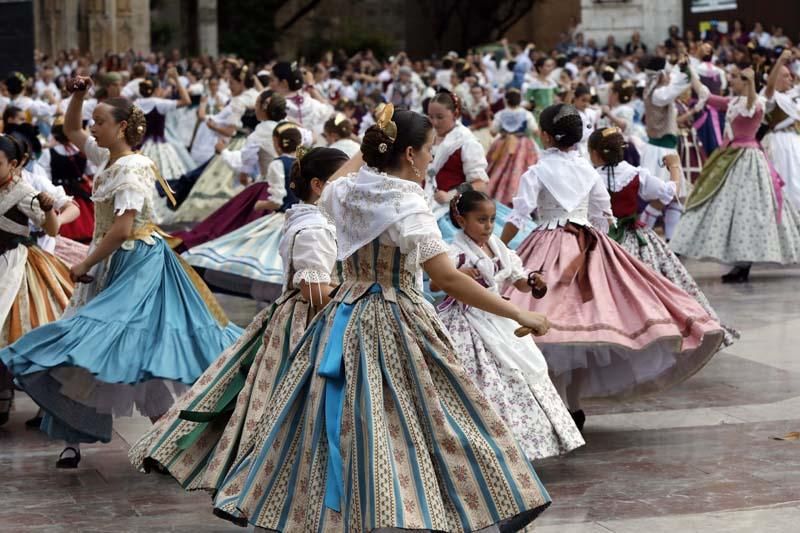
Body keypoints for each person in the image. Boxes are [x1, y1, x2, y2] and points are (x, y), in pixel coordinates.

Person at [138, 103, 552, 530]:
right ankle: (459, 500)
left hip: (344, 314)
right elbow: (446, 277)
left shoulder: (344, 191)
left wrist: (372, 138)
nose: (432, 158)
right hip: (397, 315)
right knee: (442, 411)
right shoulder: (407, 202)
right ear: (409, 153)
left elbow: (336, 180)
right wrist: (520, 311)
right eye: (428, 150)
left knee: (340, 418)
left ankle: (341, 507)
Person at [0, 77, 242, 468]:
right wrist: (78, 96)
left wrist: (84, 263)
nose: (92, 127)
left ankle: (167, 440)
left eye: (100, 121)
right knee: (96, 346)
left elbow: (124, 228)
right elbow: (73, 129)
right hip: (114, 261)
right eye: (94, 120)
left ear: (122, 127)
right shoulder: (108, 158)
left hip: (137, 263)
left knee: (131, 347)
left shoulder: (133, 168)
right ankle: (75, 439)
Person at [129, 148, 347, 521]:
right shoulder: (314, 228)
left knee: (277, 408)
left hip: (292, 318)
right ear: (318, 185)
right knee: (292, 409)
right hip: (308, 323)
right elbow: (314, 291)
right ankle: (266, 487)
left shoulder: (311, 221)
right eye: (342, 183)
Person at [501, 103, 725, 430]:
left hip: (546, 245)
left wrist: (499, 247)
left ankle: (553, 403)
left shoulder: (536, 172)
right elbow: (603, 215)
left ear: (545, 135)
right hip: (587, 245)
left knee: (542, 322)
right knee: (578, 329)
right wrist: (598, 251)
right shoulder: (587, 171)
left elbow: (519, 214)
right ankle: (573, 407)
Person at [436, 187, 585, 459]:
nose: (489, 226)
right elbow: (438, 281)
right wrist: (459, 273)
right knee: (489, 378)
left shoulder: (498, 247)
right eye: (481, 220)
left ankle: (525, 442)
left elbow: (517, 279)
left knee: (521, 371)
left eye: (492, 219)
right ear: (461, 220)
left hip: (500, 316)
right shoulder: (455, 250)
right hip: (470, 319)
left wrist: (532, 281)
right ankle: (492, 447)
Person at [589, 128, 738, 346]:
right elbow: (670, 192)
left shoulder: (589, 177)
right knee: (655, 286)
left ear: (594, 154)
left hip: (599, 241)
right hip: (633, 238)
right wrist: (675, 166)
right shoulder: (635, 174)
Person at [670, 66, 800, 283]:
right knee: (721, 205)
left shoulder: (757, 103)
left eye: (737, 78)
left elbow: (754, 104)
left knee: (748, 210)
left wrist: (755, 80)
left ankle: (743, 266)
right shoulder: (733, 102)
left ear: (747, 82)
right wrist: (690, 71)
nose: (732, 81)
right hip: (730, 158)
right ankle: (731, 261)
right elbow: (705, 94)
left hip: (750, 160)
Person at [181, 122, 303, 300]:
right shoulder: (302, 163)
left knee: (263, 256)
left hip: (280, 219)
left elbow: (277, 201)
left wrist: (260, 205)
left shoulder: (278, 164)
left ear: (277, 143)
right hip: (298, 218)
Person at [0, 134, 70, 426]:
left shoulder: (25, 192)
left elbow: (51, 229)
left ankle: (45, 403)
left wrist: (47, 208)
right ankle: (4, 399)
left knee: (21, 334)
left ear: (13, 164)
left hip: (14, 266)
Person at [172, 93, 288, 252]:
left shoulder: (261, 131)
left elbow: (244, 162)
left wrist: (223, 152)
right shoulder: (289, 127)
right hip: (293, 189)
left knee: (227, 227)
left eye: (257, 104)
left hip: (267, 188)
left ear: (263, 108)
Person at [171, 66, 254, 223]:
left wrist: (212, 126)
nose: (229, 86)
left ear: (240, 82)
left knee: (220, 182)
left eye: (231, 82)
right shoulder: (257, 95)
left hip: (238, 143)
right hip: (253, 143)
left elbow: (230, 131)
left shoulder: (239, 101)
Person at [35, 118, 95, 243]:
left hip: (61, 190)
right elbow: (90, 172)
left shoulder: (48, 153)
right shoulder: (81, 151)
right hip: (81, 191)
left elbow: (46, 177)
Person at [135, 70, 194, 183]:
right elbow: (186, 101)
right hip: (160, 146)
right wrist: (177, 79)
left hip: (140, 147)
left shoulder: (136, 103)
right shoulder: (159, 103)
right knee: (168, 177)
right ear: (157, 90)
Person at [486, 88, 539, 207]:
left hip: (504, 143)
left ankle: (499, 195)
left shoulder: (501, 114)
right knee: (522, 169)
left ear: (506, 100)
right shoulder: (526, 114)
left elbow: (493, 132)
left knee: (498, 169)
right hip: (523, 143)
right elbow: (535, 130)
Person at [762, 49, 800, 210]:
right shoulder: (770, 97)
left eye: (790, 75)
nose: (790, 78)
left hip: (795, 141)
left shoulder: (794, 95)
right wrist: (779, 61)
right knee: (785, 179)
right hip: (779, 144)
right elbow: (769, 88)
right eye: (785, 76)